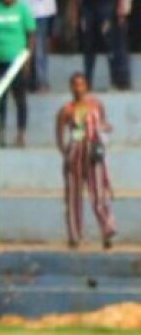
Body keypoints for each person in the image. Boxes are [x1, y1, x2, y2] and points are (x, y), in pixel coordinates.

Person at [55, 72, 116, 250]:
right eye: (75, 85)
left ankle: (107, 231)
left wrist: (104, 131)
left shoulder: (96, 105)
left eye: (81, 84)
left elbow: (103, 124)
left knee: (98, 194)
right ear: (71, 87)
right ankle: (74, 235)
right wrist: (65, 151)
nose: (78, 88)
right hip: (75, 153)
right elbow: (59, 134)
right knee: (74, 197)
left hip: (93, 152)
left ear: (86, 86)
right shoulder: (66, 110)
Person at [0, 0, 34, 147]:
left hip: (17, 61)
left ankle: (21, 134)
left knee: (19, 98)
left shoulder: (23, 10)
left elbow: (31, 35)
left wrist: (28, 60)